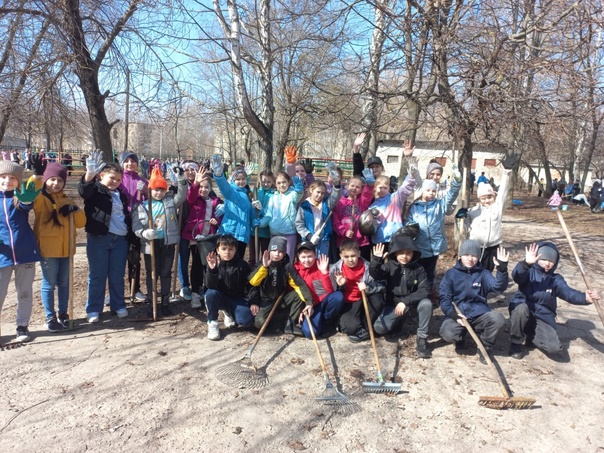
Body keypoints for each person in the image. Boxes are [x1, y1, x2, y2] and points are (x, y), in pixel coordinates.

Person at [508, 242, 600, 360]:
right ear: (537, 258)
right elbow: (517, 275)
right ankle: (516, 343)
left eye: (551, 260)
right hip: (523, 309)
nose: (547, 263)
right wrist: (526, 264)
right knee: (521, 309)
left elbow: (568, 293)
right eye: (544, 259)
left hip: (543, 315)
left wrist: (584, 298)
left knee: (554, 348)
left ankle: (531, 334)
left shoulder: (556, 279)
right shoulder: (528, 271)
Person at [32, 161, 86, 331]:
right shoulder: (41, 198)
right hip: (48, 248)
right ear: (47, 180)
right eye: (52, 179)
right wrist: (36, 177)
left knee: (64, 283)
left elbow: (81, 223)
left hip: (67, 249)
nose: (56, 184)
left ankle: (63, 314)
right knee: (49, 283)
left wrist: (75, 210)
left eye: (60, 180)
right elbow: (29, 194)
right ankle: (50, 317)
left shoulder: (67, 200)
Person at [78, 151, 132, 323]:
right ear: (101, 175)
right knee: (97, 275)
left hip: (120, 240)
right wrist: (88, 175)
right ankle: (94, 308)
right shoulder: (95, 190)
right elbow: (83, 191)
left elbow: (125, 216)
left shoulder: (121, 195)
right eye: (111, 178)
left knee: (116, 275)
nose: (115, 182)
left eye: (118, 179)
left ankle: (118, 305)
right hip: (99, 238)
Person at [439, 240, 509, 364]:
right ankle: (459, 339)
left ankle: (485, 346)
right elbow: (444, 297)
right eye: (466, 255)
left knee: (498, 319)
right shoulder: (451, 274)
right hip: (459, 314)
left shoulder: (483, 273)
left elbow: (498, 287)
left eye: (474, 255)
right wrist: (452, 314)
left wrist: (502, 270)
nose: (470, 259)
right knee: (448, 332)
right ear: (460, 256)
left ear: (478, 257)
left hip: (479, 313)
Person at [132, 166, 187, 316]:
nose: (159, 192)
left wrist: (181, 179)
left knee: (165, 272)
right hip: (150, 244)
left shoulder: (170, 202)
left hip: (167, 243)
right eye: (156, 189)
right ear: (150, 190)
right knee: (152, 272)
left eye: (162, 190)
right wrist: (143, 233)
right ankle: (152, 300)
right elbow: (136, 224)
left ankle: (165, 300)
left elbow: (182, 195)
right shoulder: (142, 205)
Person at [369, 236, 432, 358]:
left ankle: (422, 338)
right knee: (379, 328)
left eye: (408, 253)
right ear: (395, 253)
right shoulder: (389, 266)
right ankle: (398, 323)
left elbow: (425, 289)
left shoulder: (419, 269)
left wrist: (405, 301)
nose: (405, 256)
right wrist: (377, 260)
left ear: (414, 253)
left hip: (411, 305)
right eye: (401, 253)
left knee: (426, 303)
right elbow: (375, 275)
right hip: (392, 305)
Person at [0, 160, 41, 342]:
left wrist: (27, 200)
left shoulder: (20, 197)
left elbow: (26, 206)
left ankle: (22, 326)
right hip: (3, 256)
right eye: (3, 177)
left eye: (12, 178)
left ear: (18, 181)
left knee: (24, 292)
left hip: (25, 252)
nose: (7, 181)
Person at [406, 170, 462, 291]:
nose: (431, 193)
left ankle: (429, 293)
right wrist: (411, 228)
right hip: (419, 247)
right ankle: (416, 293)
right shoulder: (414, 208)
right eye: (428, 190)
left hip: (434, 248)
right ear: (422, 191)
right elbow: (408, 223)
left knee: (430, 273)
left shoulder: (440, 205)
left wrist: (457, 182)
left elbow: (452, 194)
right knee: (418, 273)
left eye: (433, 191)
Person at [248, 236, 314, 334]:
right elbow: (253, 282)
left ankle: (290, 323)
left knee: (297, 295)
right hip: (265, 300)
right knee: (259, 323)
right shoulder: (261, 263)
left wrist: (309, 302)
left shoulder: (287, 266)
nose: (277, 254)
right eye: (274, 250)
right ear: (269, 250)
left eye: (280, 251)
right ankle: (274, 321)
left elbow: (299, 284)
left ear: (284, 253)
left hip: (281, 299)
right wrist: (264, 267)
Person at [466, 154, 517, 271]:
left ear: (494, 196)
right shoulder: (473, 211)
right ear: (479, 199)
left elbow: (504, 191)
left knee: (489, 269)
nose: (487, 200)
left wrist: (507, 171)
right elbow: (464, 225)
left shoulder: (498, 207)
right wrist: (461, 216)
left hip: (493, 246)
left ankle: (486, 288)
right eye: (483, 198)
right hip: (477, 246)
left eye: (489, 197)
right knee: (474, 269)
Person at [181, 167, 222, 308]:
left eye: (206, 187)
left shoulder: (215, 201)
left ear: (210, 188)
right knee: (197, 264)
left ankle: (206, 290)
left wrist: (216, 221)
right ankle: (195, 294)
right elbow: (190, 196)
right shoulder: (195, 199)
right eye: (201, 187)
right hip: (196, 237)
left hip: (209, 238)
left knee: (208, 265)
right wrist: (195, 184)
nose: (203, 190)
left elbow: (220, 216)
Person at [330, 239, 384, 343]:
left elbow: (381, 285)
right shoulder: (335, 269)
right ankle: (354, 325)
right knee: (351, 328)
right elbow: (329, 292)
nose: (350, 259)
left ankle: (367, 327)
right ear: (341, 256)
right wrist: (340, 285)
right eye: (346, 257)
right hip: (350, 301)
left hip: (365, 297)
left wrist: (367, 286)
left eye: (353, 256)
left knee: (378, 299)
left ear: (359, 253)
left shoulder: (368, 267)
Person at [204, 234, 254, 340]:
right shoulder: (214, 263)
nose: (227, 252)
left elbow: (251, 286)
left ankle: (229, 313)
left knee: (246, 321)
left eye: (231, 249)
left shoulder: (242, 265)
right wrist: (212, 270)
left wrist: (253, 301)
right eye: (223, 249)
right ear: (217, 250)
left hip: (237, 298)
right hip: (220, 297)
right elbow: (209, 285)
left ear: (236, 250)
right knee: (210, 294)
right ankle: (212, 322)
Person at [294, 241, 344, 339]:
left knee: (338, 297)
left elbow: (327, 292)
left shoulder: (319, 266)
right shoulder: (295, 270)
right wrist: (300, 309)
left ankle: (327, 320)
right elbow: (293, 293)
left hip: (319, 302)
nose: (307, 260)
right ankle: (316, 323)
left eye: (310, 256)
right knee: (310, 334)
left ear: (315, 254)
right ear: (298, 257)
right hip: (306, 306)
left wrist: (324, 272)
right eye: (303, 257)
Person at [118, 151, 148, 302]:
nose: (130, 163)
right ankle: (116, 290)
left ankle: (135, 288)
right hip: (120, 221)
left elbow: (150, 200)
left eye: (133, 161)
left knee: (134, 257)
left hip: (136, 222)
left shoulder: (142, 180)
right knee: (117, 258)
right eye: (127, 161)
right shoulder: (118, 179)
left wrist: (145, 191)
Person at [210, 155, 253, 259]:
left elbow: (250, 214)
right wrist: (219, 175)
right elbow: (223, 186)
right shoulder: (231, 192)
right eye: (238, 179)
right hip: (229, 233)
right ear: (233, 180)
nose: (241, 181)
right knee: (224, 262)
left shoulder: (249, 194)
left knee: (237, 264)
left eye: (243, 179)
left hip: (242, 235)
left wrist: (255, 220)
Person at [257, 172, 304, 259]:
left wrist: (299, 190)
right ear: (275, 184)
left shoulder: (292, 194)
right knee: (275, 259)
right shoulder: (272, 198)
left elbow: (297, 197)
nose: (282, 185)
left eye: (284, 182)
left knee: (288, 258)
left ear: (289, 182)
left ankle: (288, 273)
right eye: (279, 183)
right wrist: (260, 223)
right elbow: (268, 215)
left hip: (289, 233)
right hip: (275, 233)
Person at [295, 175, 342, 257]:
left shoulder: (326, 204)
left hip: (323, 240)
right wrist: (309, 236)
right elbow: (299, 224)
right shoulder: (304, 206)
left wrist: (337, 184)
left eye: (322, 193)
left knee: (321, 263)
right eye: (318, 192)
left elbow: (335, 197)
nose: (320, 195)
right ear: (311, 190)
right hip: (309, 239)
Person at [368, 170, 415, 248]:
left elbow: (404, 190)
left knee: (394, 260)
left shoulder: (395, 198)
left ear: (389, 188)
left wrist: (411, 177)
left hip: (395, 237)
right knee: (379, 259)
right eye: (380, 188)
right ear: (375, 188)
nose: (382, 190)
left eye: (385, 188)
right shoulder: (372, 206)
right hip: (379, 239)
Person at [332, 173, 374, 261]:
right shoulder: (340, 202)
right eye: (352, 185)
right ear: (347, 186)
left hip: (361, 242)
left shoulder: (362, 201)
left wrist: (370, 186)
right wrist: (344, 231)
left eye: (358, 187)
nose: (354, 188)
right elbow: (335, 221)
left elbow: (367, 195)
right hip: (343, 241)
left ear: (362, 189)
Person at [248, 169, 275, 266]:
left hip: (266, 231)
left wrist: (261, 210)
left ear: (272, 182)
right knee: (252, 257)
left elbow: (271, 211)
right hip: (253, 230)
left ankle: (263, 277)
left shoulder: (274, 195)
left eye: (268, 182)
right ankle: (251, 278)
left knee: (265, 256)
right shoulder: (254, 192)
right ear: (260, 180)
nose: (266, 184)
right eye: (263, 181)